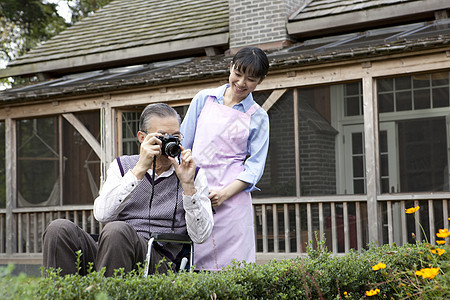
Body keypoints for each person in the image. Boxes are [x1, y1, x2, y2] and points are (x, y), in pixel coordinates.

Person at [43, 103, 214, 276]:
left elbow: (201, 236)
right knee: (59, 229)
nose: (170, 142)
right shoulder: (122, 166)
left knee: (117, 230)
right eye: (162, 136)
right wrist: (139, 170)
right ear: (142, 137)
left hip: (158, 260)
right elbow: (102, 214)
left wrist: (188, 186)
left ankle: (106, 295)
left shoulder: (193, 174)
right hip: (111, 249)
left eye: (175, 136)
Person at [181, 47, 270, 271]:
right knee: (195, 265)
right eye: (238, 74)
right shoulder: (204, 99)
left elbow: (254, 168)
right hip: (196, 192)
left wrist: (224, 194)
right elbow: (184, 141)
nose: (241, 83)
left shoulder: (258, 116)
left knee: (234, 271)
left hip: (232, 201)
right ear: (230, 67)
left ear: (260, 81)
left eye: (250, 79)